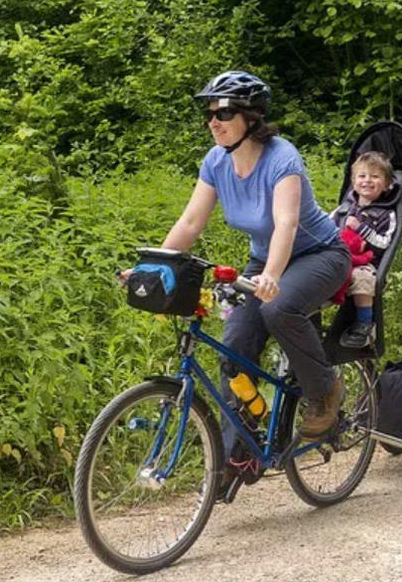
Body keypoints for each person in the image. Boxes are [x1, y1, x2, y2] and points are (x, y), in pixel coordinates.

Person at [144, 70, 351, 471]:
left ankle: (325, 391)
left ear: (251, 116)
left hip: (320, 254)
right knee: (234, 346)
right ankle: (236, 456)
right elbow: (190, 224)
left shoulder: (282, 158)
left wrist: (272, 275)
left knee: (278, 309)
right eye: (209, 113)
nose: (213, 122)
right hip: (265, 260)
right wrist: (152, 265)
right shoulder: (216, 162)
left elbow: (286, 223)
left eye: (223, 112)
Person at [329, 151, 398, 348]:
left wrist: (361, 228)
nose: (367, 180)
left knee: (363, 277)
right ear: (353, 181)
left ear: (386, 184)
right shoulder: (343, 209)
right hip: (338, 258)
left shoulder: (387, 214)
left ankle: (365, 325)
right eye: (362, 176)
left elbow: (384, 244)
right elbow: (324, 228)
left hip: (366, 262)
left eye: (375, 176)